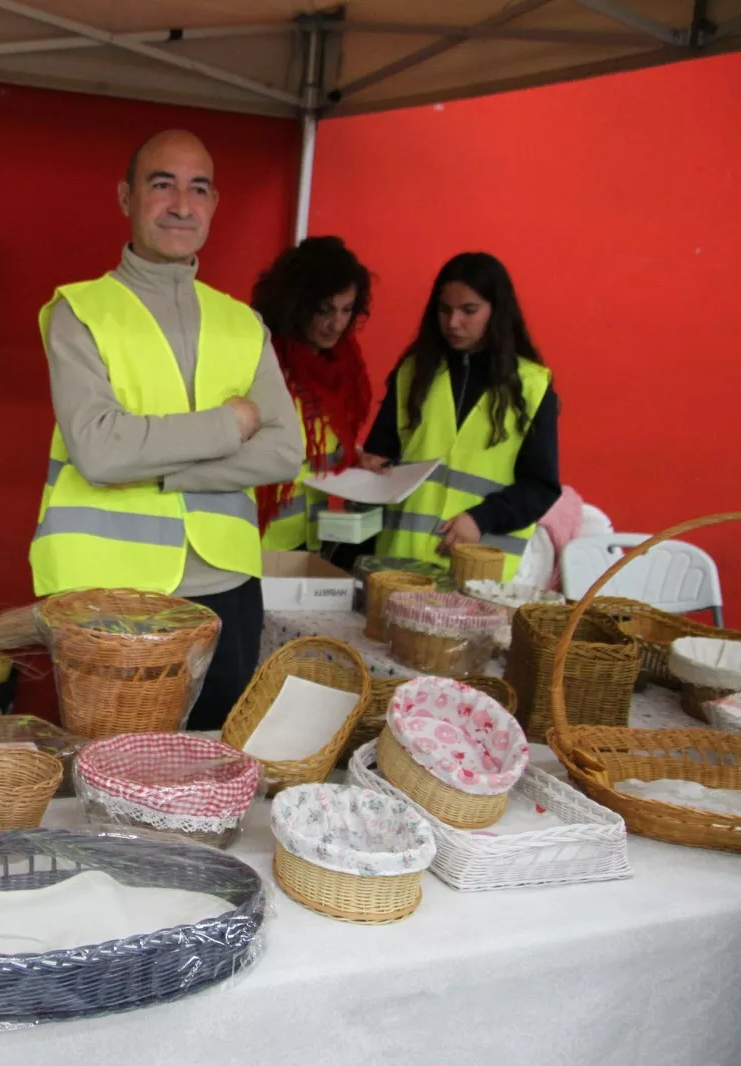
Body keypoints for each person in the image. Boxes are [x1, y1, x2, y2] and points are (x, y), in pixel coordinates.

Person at [30, 129, 304, 731]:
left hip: (227, 588)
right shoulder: (80, 311)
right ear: (126, 197)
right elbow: (99, 451)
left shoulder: (241, 322)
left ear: (214, 203)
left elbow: (285, 449)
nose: (182, 203)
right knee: (113, 772)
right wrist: (228, 425)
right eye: (163, 185)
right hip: (109, 592)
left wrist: (162, 466)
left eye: (198, 188)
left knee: (212, 766)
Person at [362, 252, 560, 580]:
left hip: (480, 573)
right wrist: (371, 467)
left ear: (497, 311)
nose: (453, 323)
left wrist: (482, 518)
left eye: (469, 310)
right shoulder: (413, 373)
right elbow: (381, 456)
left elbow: (540, 487)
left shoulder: (532, 386)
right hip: (399, 567)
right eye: (444, 310)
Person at [251, 237, 374, 560]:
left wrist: (354, 457)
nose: (337, 324)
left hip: (310, 538)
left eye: (347, 310)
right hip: (256, 538)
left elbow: (321, 448)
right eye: (324, 310)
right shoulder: (260, 359)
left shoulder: (343, 363)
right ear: (296, 305)